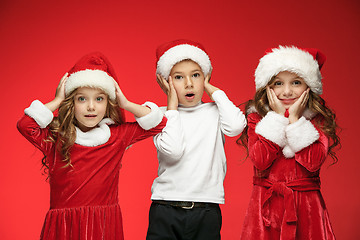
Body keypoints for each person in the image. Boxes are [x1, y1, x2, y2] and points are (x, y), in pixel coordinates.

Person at [17, 52, 166, 240]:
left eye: (99, 99)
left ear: (109, 102)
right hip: (65, 227)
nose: (91, 107)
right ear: (70, 102)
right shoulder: (57, 138)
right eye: (82, 99)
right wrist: (56, 100)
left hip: (104, 226)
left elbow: (159, 124)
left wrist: (126, 104)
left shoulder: (117, 136)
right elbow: (25, 125)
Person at [146, 39, 247, 240]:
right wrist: (172, 107)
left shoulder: (216, 111)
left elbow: (236, 126)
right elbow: (173, 150)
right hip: (165, 208)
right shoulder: (160, 115)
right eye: (178, 77)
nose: (189, 83)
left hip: (206, 208)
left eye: (196, 75)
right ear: (166, 82)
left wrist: (212, 90)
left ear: (205, 77)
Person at [237, 46, 340, 240]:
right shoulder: (257, 118)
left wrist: (294, 121)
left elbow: (313, 162)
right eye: (278, 83)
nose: (286, 91)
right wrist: (276, 118)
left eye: (296, 82)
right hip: (264, 208)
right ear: (267, 87)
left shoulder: (317, 120)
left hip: (307, 208)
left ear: (309, 85)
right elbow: (260, 160)